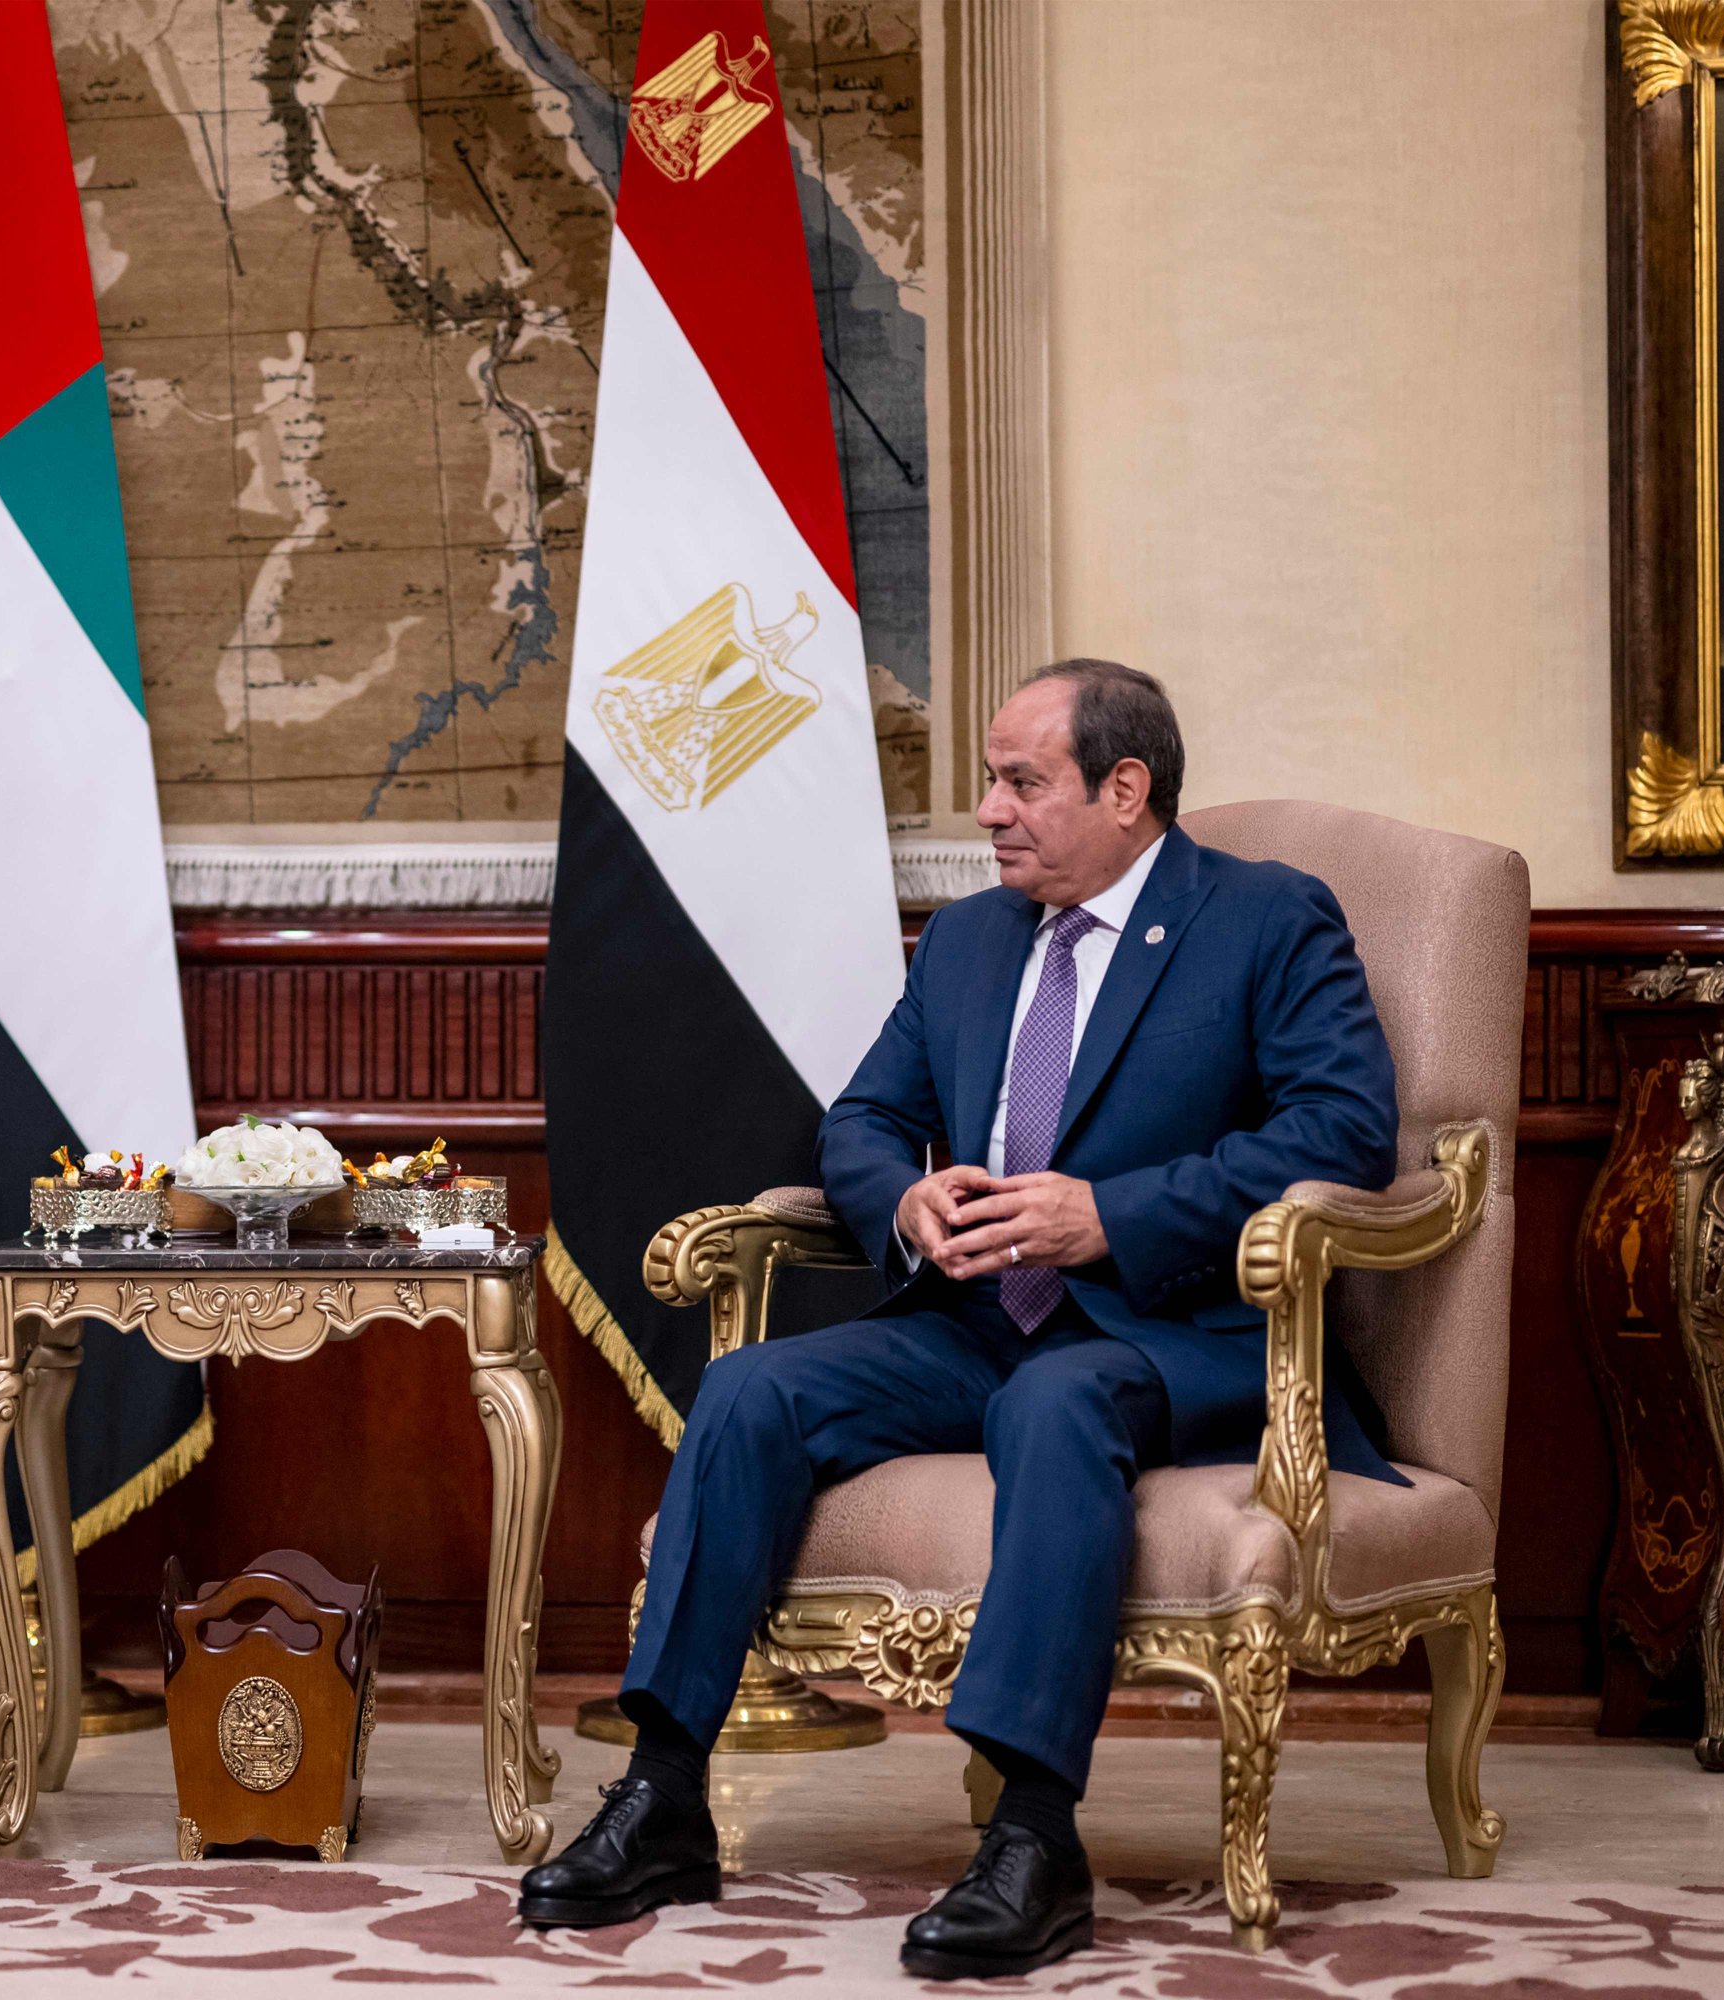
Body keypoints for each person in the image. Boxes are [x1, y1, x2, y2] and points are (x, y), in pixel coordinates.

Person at [516, 660, 1401, 1979]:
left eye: (1020, 782)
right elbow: (863, 1119)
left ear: (1124, 789)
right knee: (751, 1387)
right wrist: (906, 1197)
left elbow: (1345, 1132)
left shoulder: (1265, 918)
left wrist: (1111, 1215)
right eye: (992, 781)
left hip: (1173, 1333)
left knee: (1058, 1397)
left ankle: (1033, 1840)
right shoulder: (975, 939)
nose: (988, 810)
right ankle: (664, 1795)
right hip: (976, 1320)